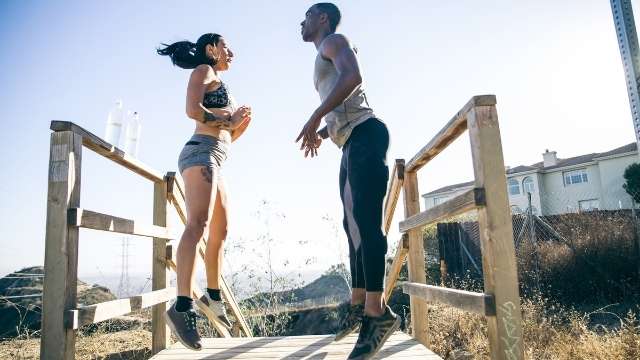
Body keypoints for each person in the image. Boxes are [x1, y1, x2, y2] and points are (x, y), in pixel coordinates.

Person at [296, 3, 400, 359]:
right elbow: (345, 101)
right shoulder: (324, 54)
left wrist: (314, 117)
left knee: (367, 225)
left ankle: (377, 313)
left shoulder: (334, 41)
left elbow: (353, 77)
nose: (302, 20)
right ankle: (358, 303)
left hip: (366, 135)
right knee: (351, 225)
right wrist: (325, 132)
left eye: (308, 14)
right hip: (352, 139)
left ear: (323, 18)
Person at [157, 33, 251, 351]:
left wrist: (238, 125)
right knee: (197, 224)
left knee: (220, 231)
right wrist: (227, 119)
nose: (232, 52)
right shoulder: (203, 71)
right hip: (200, 153)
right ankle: (182, 306)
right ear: (211, 49)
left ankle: (212, 297)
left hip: (216, 158)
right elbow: (192, 110)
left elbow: (227, 133)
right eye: (226, 46)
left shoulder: (221, 83)